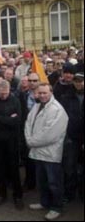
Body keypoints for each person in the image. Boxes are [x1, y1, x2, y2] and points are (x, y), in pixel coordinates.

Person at [25, 83, 68, 221]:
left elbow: (51, 134)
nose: (42, 95)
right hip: (38, 151)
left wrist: (31, 141)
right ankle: (44, 202)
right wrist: (29, 138)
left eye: (45, 93)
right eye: (40, 93)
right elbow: (28, 123)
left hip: (50, 153)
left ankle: (56, 207)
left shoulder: (57, 110)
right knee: (42, 181)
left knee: (54, 183)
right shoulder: (37, 106)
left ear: (51, 92)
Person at [0, 80, 24, 210]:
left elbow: (17, 121)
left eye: (6, 93)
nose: (4, 96)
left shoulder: (14, 100)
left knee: (14, 168)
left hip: (12, 140)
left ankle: (18, 196)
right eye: (1, 94)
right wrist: (8, 119)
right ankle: (1, 194)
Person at [60, 72, 84, 203]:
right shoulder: (67, 97)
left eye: (81, 81)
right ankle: (70, 194)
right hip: (71, 137)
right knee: (70, 167)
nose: (79, 83)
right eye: (76, 81)